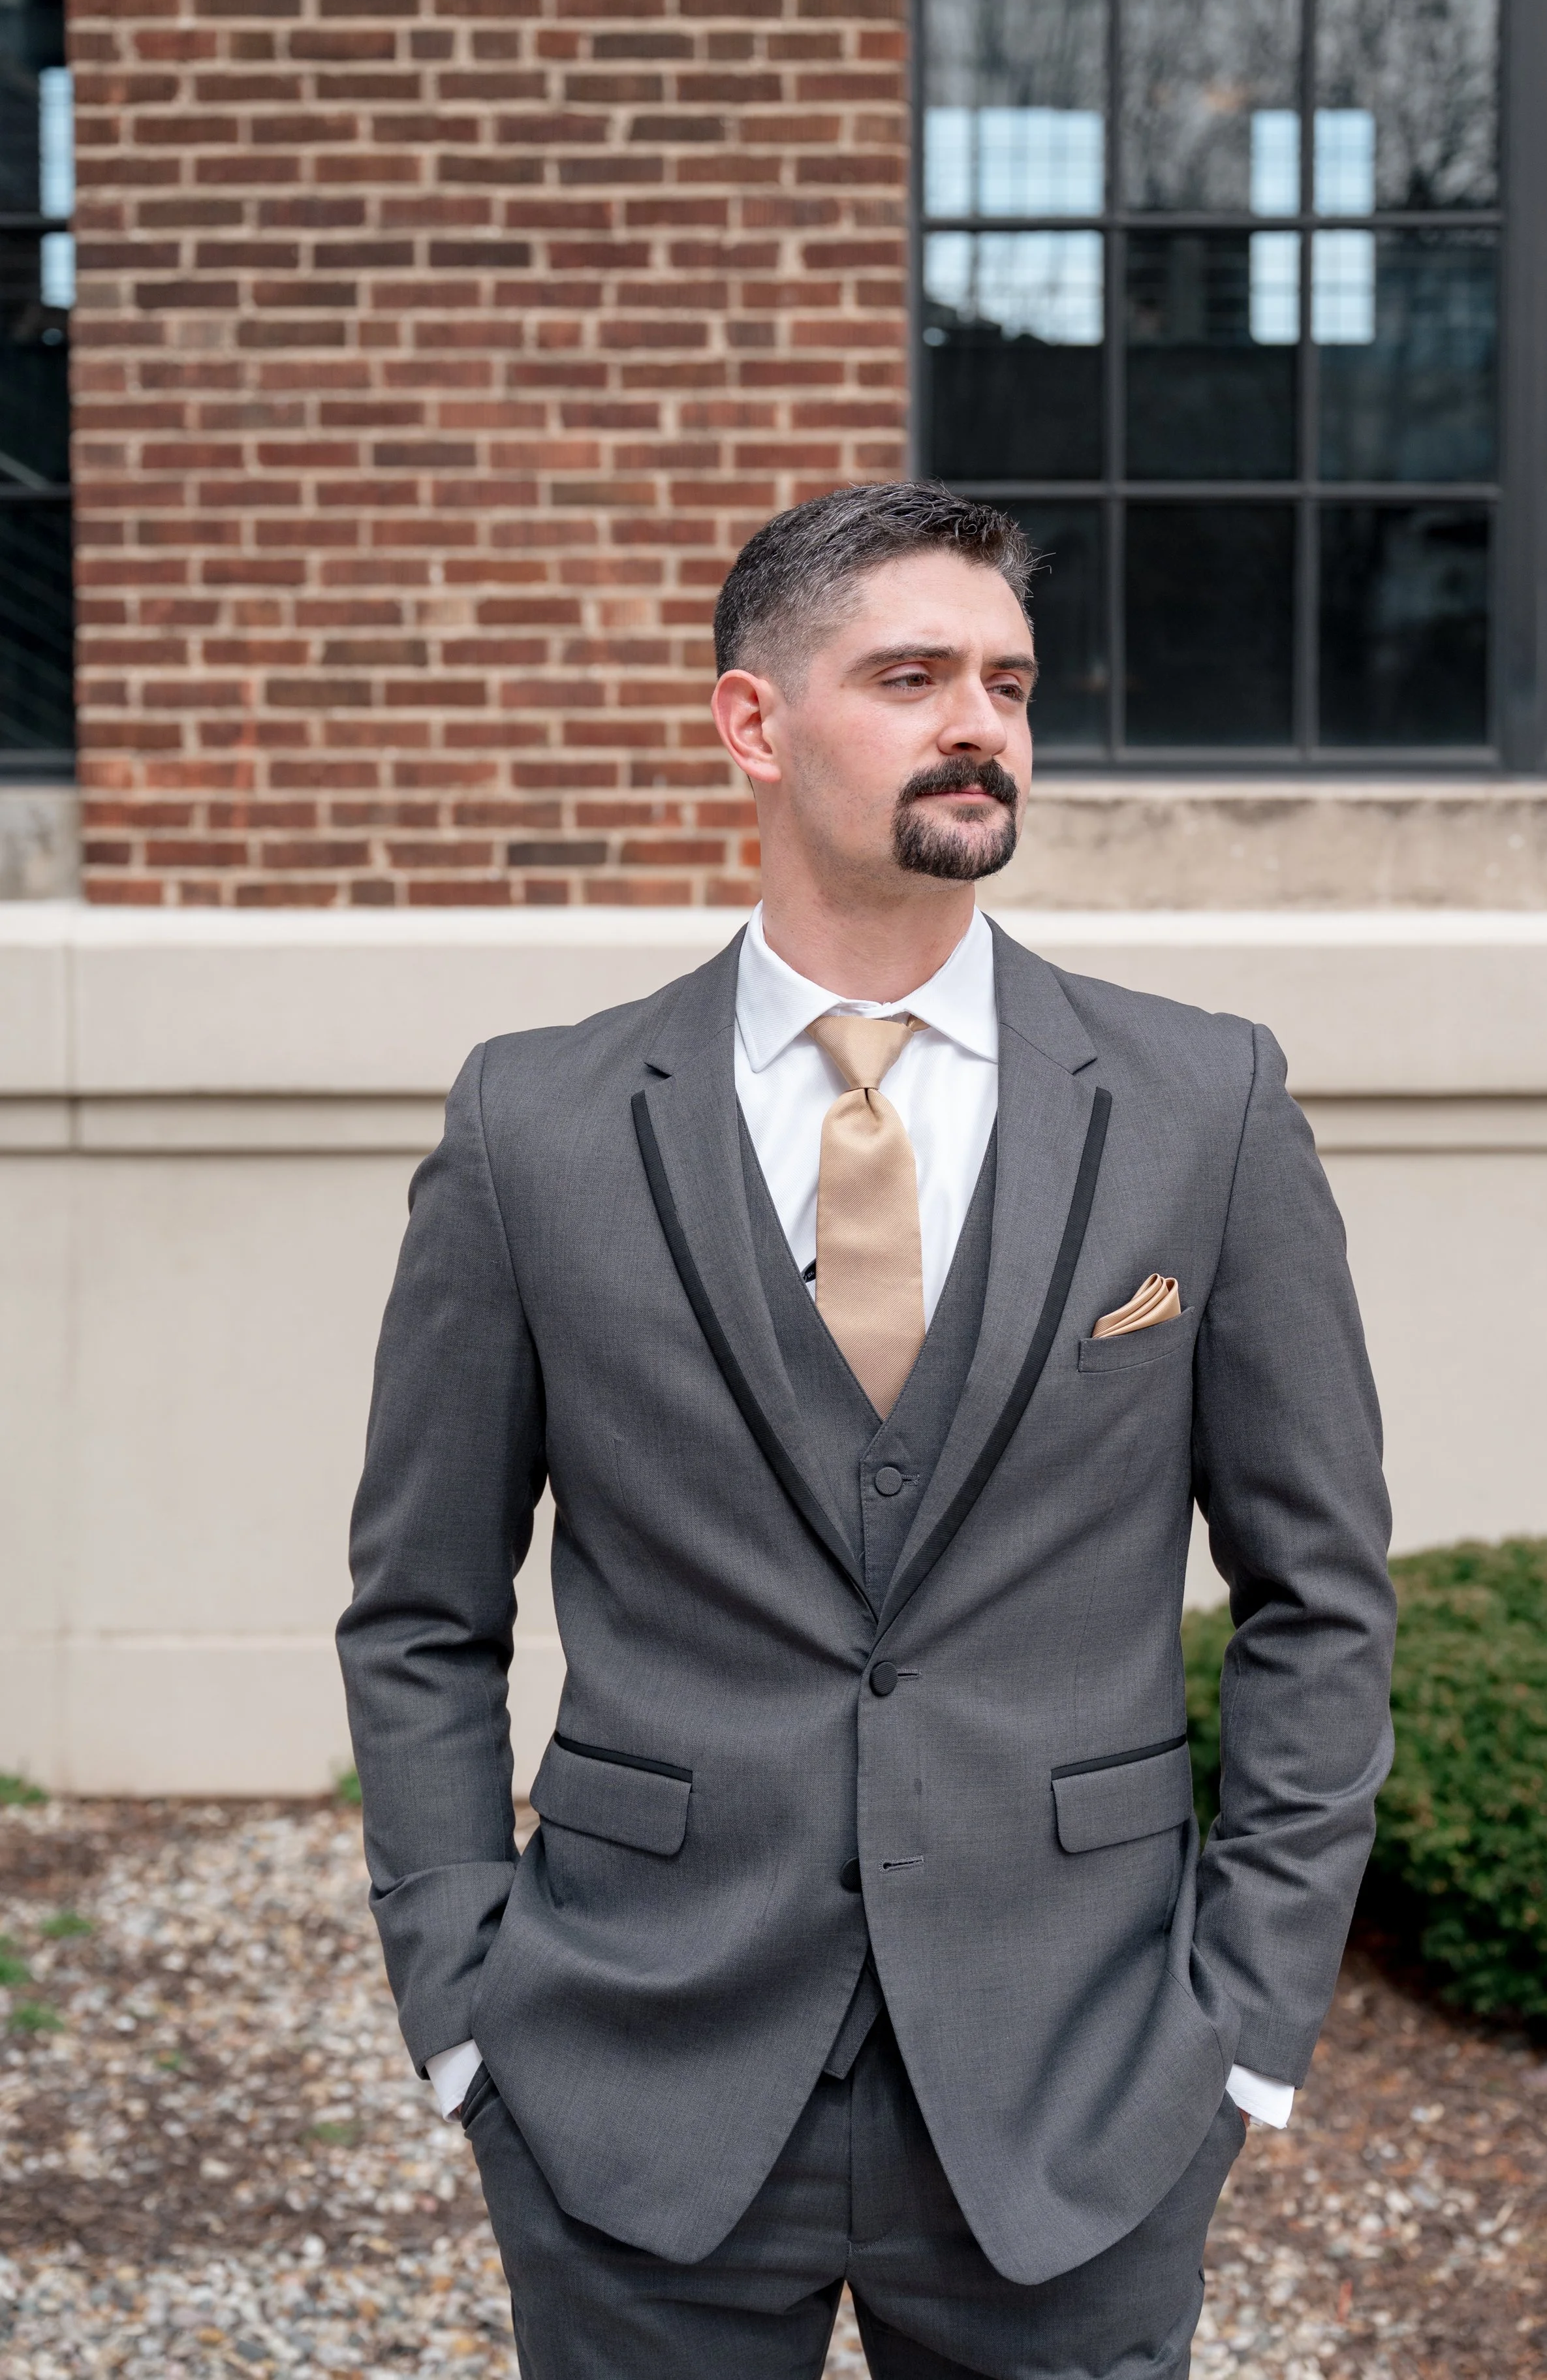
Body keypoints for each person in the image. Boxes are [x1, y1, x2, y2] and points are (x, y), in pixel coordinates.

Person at [338, 482, 1396, 2380]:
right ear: (753, 723)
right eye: (908, 676)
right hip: (630, 2074)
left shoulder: (1199, 1105)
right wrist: (460, 1996)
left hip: (1082, 2084)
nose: (975, 722)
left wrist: (1239, 2025)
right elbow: (421, 1607)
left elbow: (1318, 1592)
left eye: (1003, 679)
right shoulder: (537, 1128)